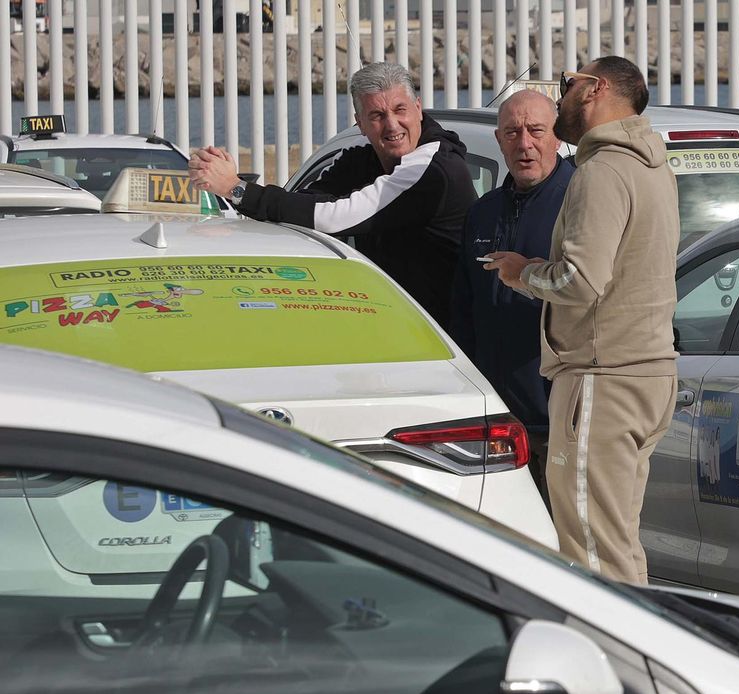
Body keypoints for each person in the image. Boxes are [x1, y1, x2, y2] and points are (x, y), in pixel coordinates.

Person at [483, 56, 678, 586]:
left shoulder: (603, 171)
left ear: (595, 89)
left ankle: (616, 664)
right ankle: (640, 656)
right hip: (646, 372)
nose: (563, 92)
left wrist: (523, 274)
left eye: (569, 84)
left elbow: (580, 281)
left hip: (603, 376)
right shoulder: (651, 163)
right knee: (616, 545)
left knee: (591, 551)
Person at [188, 61, 476, 326]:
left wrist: (236, 189)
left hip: (447, 339)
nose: (391, 124)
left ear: (418, 108)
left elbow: (332, 218)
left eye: (400, 110)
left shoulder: (435, 168)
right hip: (387, 324)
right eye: (377, 115)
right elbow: (301, 208)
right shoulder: (359, 161)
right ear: (360, 123)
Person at [449, 89, 574, 498]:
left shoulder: (579, 202)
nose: (525, 143)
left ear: (557, 137)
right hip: (497, 419)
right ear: (499, 141)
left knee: (570, 545)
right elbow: (464, 311)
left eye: (536, 130)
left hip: (562, 414)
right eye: (512, 133)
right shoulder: (484, 210)